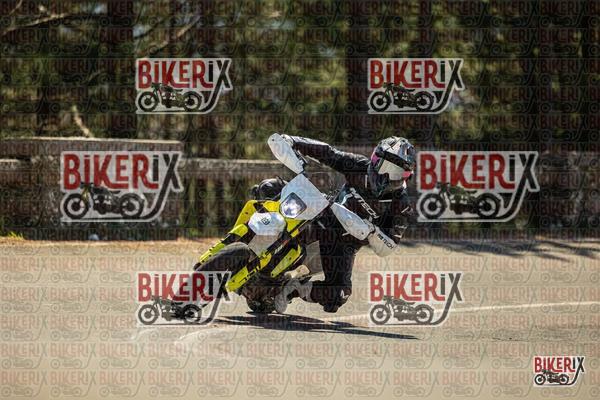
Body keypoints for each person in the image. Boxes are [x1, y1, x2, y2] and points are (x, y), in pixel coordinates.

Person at [254, 135, 417, 313]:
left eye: (398, 173)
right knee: (269, 187)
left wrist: (372, 231)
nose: (389, 177)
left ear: (407, 176)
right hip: (322, 217)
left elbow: (388, 246)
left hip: (345, 245)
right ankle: (249, 237)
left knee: (338, 294)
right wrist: (295, 141)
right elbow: (329, 153)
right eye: (388, 168)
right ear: (375, 160)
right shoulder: (359, 166)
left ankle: (292, 289)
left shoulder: (401, 205)